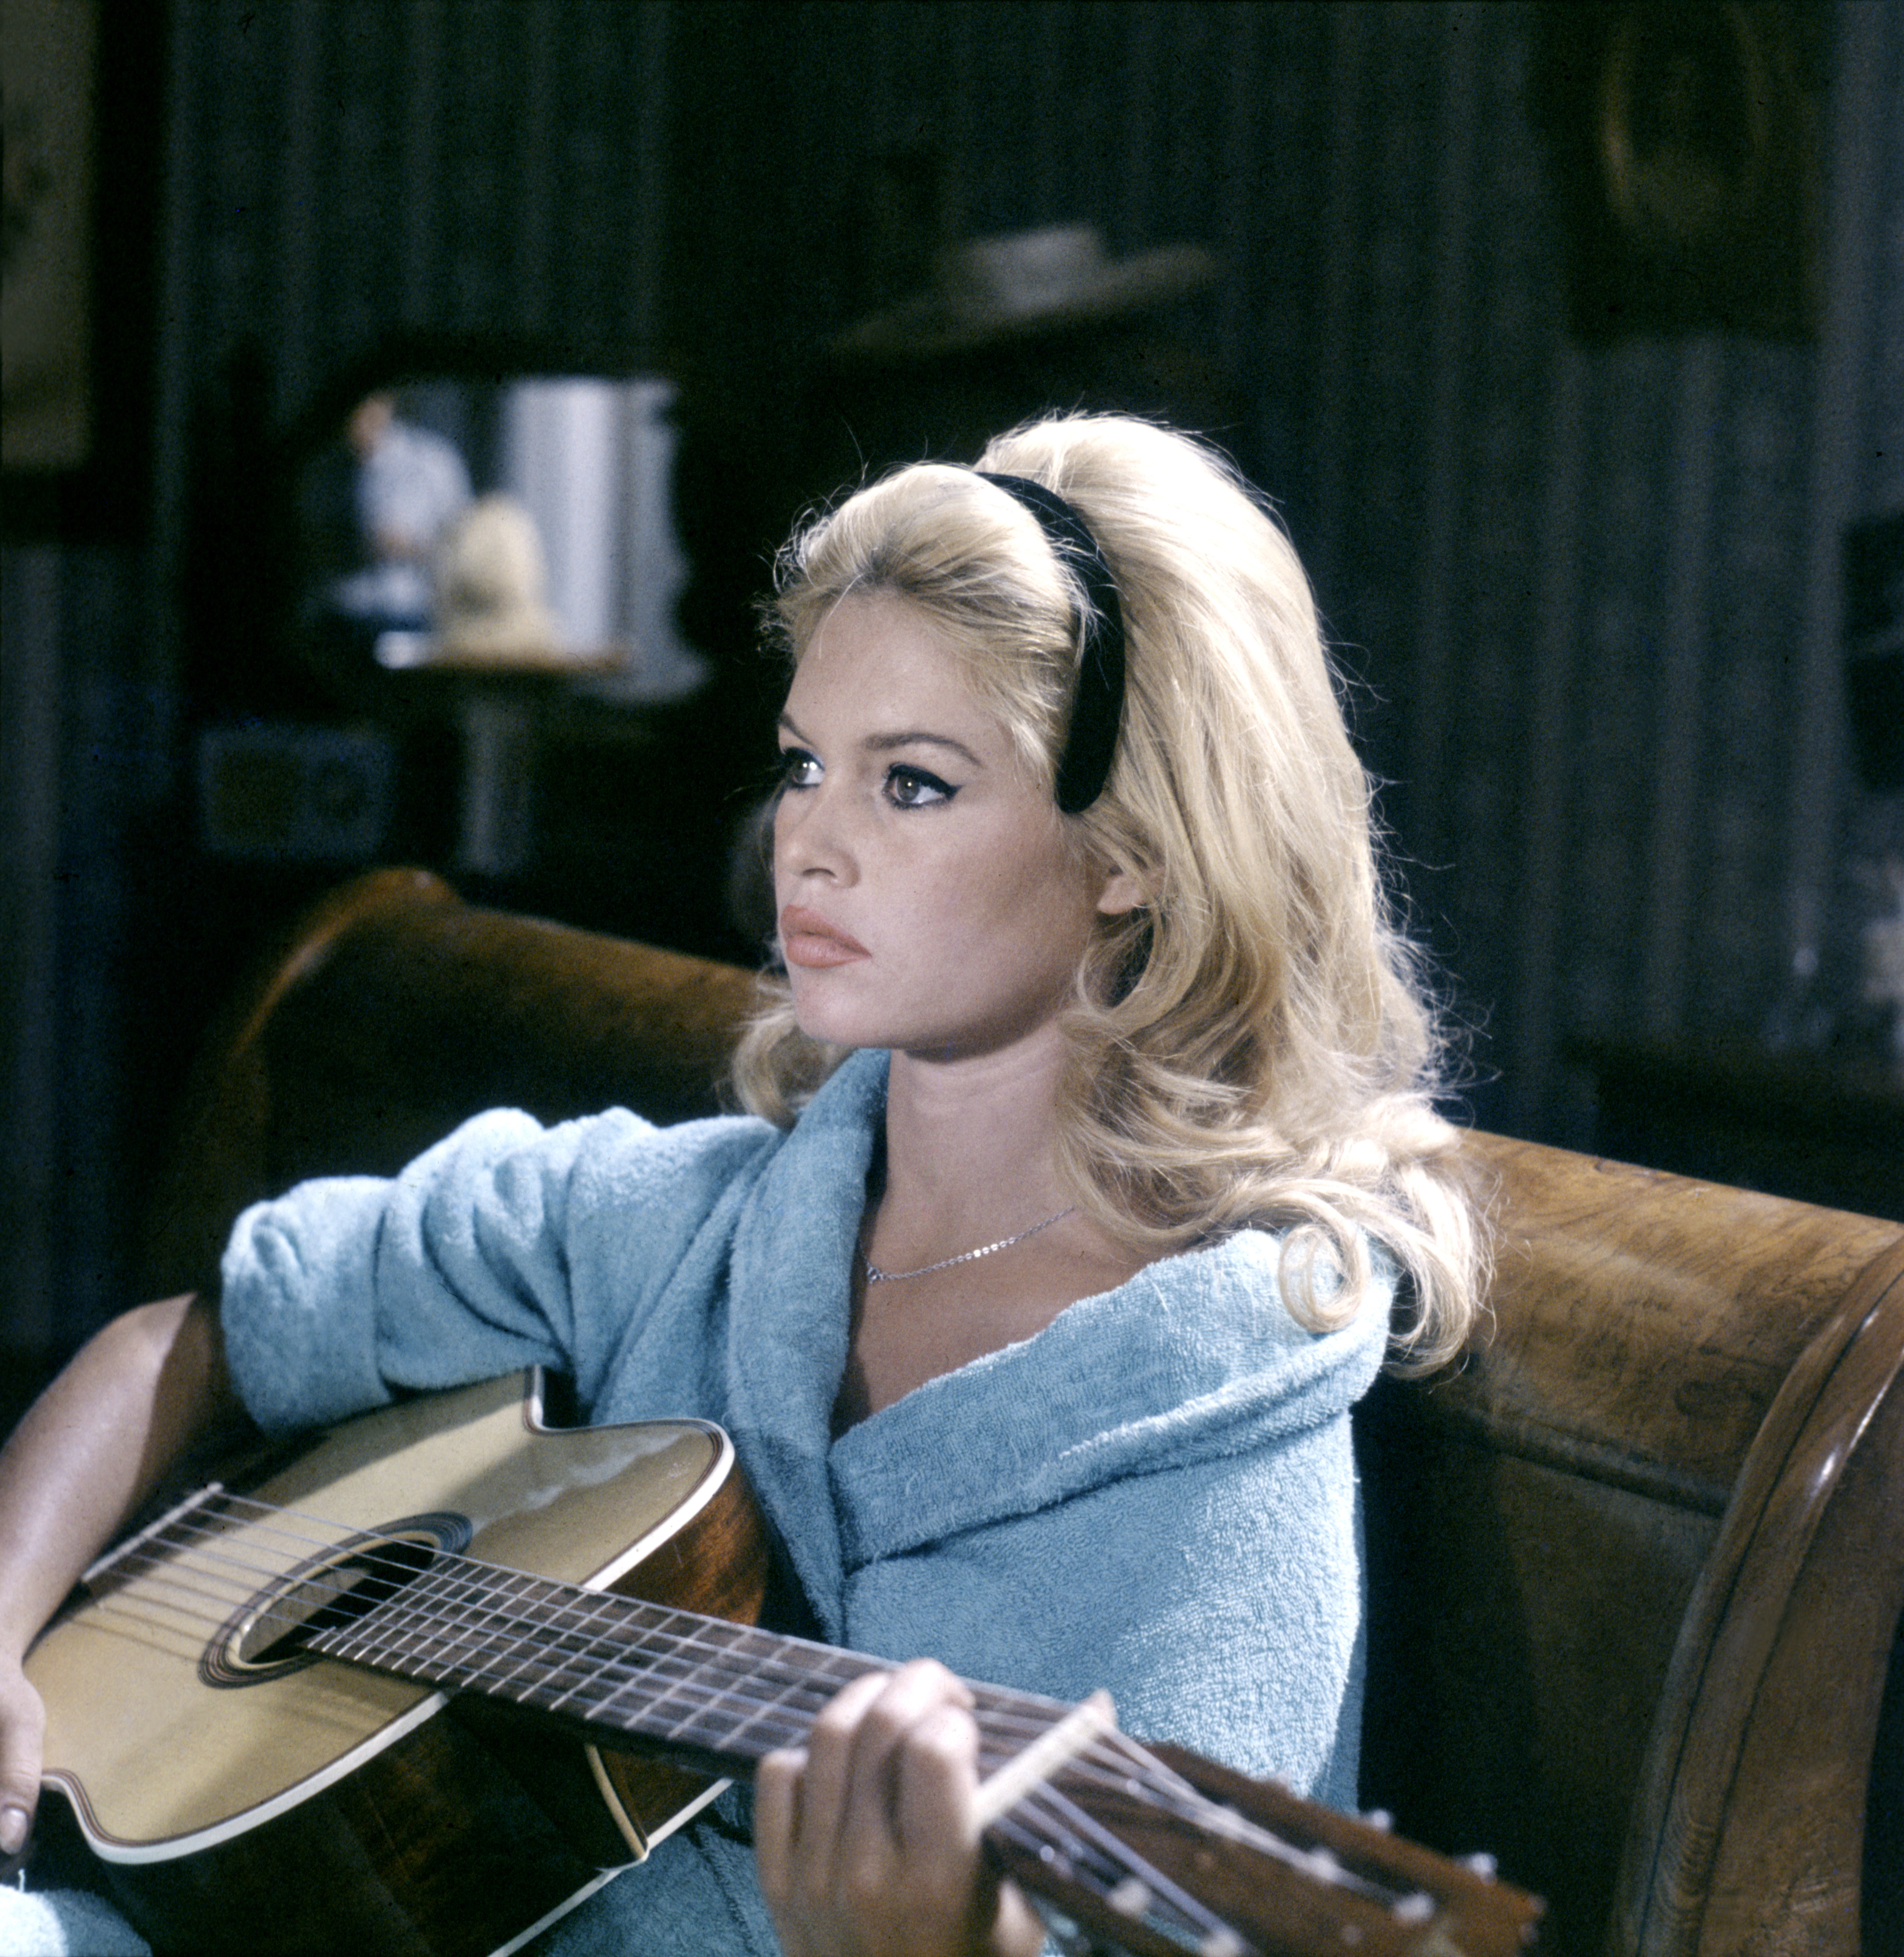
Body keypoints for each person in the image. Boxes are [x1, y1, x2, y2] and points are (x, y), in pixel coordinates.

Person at [0, 415, 1482, 1957]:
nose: (810, 844)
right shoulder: (686, 1220)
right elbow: (192, 1338)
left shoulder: (1221, 1432)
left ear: (1135, 852)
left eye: (911, 784)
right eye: (803, 764)